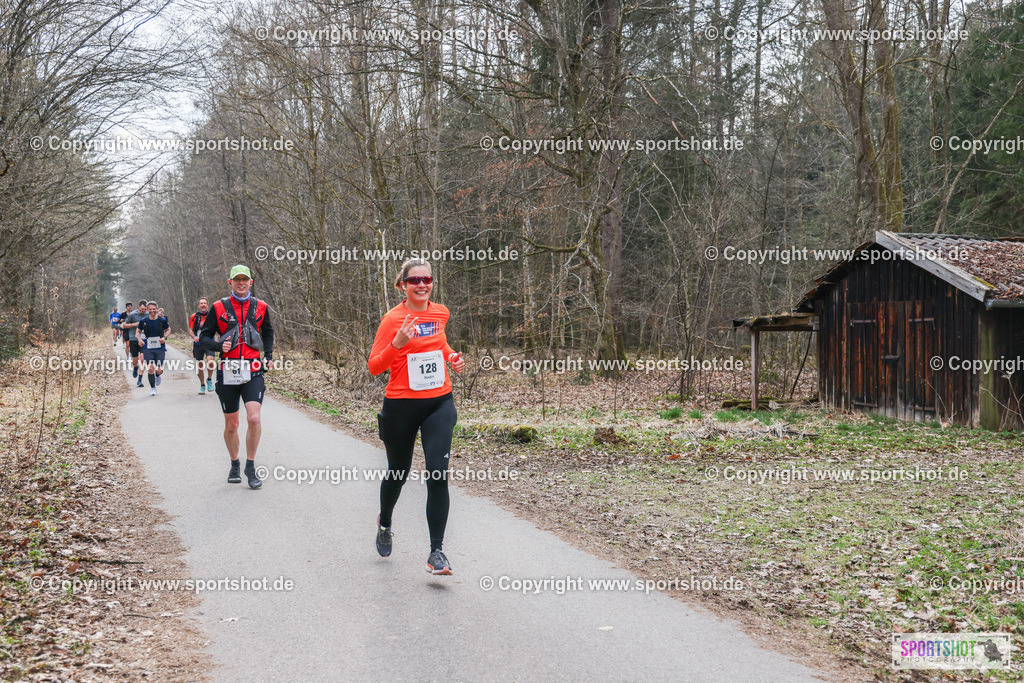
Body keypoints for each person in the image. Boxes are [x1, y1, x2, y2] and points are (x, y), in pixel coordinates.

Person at [368, 258, 466, 575]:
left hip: (439, 402)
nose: (422, 285)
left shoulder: (441, 313)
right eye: (414, 281)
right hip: (401, 406)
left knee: (438, 473)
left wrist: (450, 356)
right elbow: (374, 367)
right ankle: (385, 521)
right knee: (398, 472)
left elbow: (439, 344)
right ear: (403, 286)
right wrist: (397, 345)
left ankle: (436, 552)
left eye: (427, 279)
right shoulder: (392, 320)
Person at [199, 265, 274, 490]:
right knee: (232, 424)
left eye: (245, 279)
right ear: (229, 282)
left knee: (254, 418)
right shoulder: (218, 307)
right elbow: (204, 336)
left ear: (251, 282)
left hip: (252, 370)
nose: (241, 283)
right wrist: (217, 346)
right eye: (236, 279)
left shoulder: (261, 306)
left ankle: (250, 467)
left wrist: (268, 355)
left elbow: (268, 331)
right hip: (228, 371)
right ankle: (234, 463)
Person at [138, 301, 170, 396]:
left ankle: (158, 375)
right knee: (150, 368)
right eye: (150, 309)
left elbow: (168, 329)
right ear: (147, 310)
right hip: (148, 348)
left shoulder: (162, 320)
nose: (152, 311)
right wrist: (139, 339)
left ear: (157, 309)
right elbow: (138, 331)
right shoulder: (143, 321)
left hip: (160, 348)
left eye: (154, 309)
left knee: (159, 369)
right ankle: (153, 388)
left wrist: (164, 337)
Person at [188, 298, 216, 395]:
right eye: (201, 303)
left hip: (209, 342)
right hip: (198, 343)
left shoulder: (212, 315)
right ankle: (202, 385)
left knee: (211, 362)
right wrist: (194, 336)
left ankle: (209, 379)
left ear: (207, 305)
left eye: (204, 303)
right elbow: (191, 330)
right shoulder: (194, 316)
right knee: (200, 365)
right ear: (198, 306)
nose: (203, 305)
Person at [124, 299, 149, 387]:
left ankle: (140, 380)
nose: (143, 311)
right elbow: (124, 325)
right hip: (133, 339)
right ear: (138, 307)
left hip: (143, 339)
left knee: (142, 359)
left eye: (145, 309)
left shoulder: (148, 314)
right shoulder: (132, 314)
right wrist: (135, 324)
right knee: (135, 361)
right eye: (142, 309)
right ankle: (135, 367)